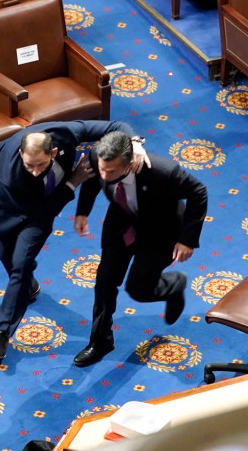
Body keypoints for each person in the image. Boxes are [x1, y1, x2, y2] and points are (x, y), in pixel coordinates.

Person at [0, 120, 148, 362]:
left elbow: (116, 125)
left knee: (21, 263)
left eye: (41, 164)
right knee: (6, 255)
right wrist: (73, 182)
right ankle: (27, 288)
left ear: (54, 152)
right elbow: (43, 209)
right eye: (30, 165)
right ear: (20, 154)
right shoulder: (13, 174)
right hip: (4, 202)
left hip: (39, 213)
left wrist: (135, 142)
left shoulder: (66, 133)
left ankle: (2, 333)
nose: (36, 171)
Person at [72, 130, 208, 367]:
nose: (105, 175)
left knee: (138, 289)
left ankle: (174, 285)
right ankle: (100, 340)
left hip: (160, 234)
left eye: (111, 171)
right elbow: (94, 179)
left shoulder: (162, 172)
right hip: (122, 226)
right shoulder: (99, 158)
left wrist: (187, 239)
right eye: (103, 169)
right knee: (104, 283)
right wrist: (83, 211)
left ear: (129, 164)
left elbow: (199, 193)